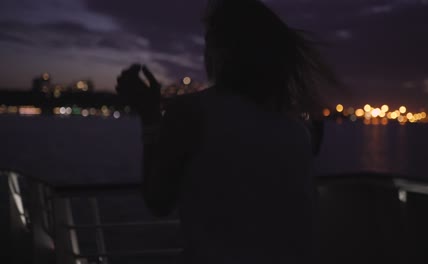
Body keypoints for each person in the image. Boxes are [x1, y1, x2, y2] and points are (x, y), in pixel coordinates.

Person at [116, 0, 334, 263]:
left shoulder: (192, 111)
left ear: (222, 51)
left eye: (209, 41)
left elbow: (158, 201)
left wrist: (150, 117)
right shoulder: (298, 124)